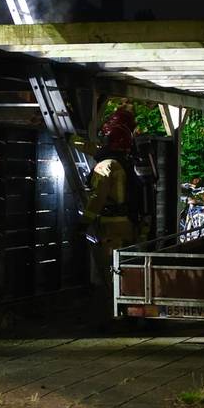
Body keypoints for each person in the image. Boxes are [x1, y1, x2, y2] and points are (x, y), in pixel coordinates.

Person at [82, 105, 147, 289]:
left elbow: (98, 197)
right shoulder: (126, 161)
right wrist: (74, 141)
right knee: (128, 265)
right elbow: (94, 149)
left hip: (111, 227)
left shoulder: (106, 165)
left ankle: (115, 308)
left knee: (113, 271)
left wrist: (84, 222)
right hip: (130, 222)